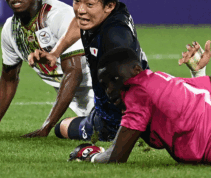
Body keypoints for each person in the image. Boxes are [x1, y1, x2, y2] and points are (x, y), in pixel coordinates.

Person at [29, 0, 149, 141]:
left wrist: (129, 129)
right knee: (61, 128)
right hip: (100, 112)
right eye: (77, 1)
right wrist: (55, 53)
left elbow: (132, 84)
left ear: (109, 6)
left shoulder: (116, 37)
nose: (80, 10)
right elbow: (77, 23)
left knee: (67, 130)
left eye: (89, 4)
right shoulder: (95, 17)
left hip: (118, 121)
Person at [0, 0, 94, 137]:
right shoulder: (10, 30)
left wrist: (46, 127)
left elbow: (74, 73)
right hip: (87, 110)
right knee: (64, 129)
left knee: (64, 129)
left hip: (110, 97)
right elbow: (9, 78)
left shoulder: (59, 16)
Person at [69, 41, 211, 164]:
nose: (110, 90)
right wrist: (198, 73)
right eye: (105, 85)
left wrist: (91, 155)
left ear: (137, 70)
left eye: (114, 79)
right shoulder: (160, 79)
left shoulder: (136, 91)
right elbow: (202, 97)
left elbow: (115, 157)